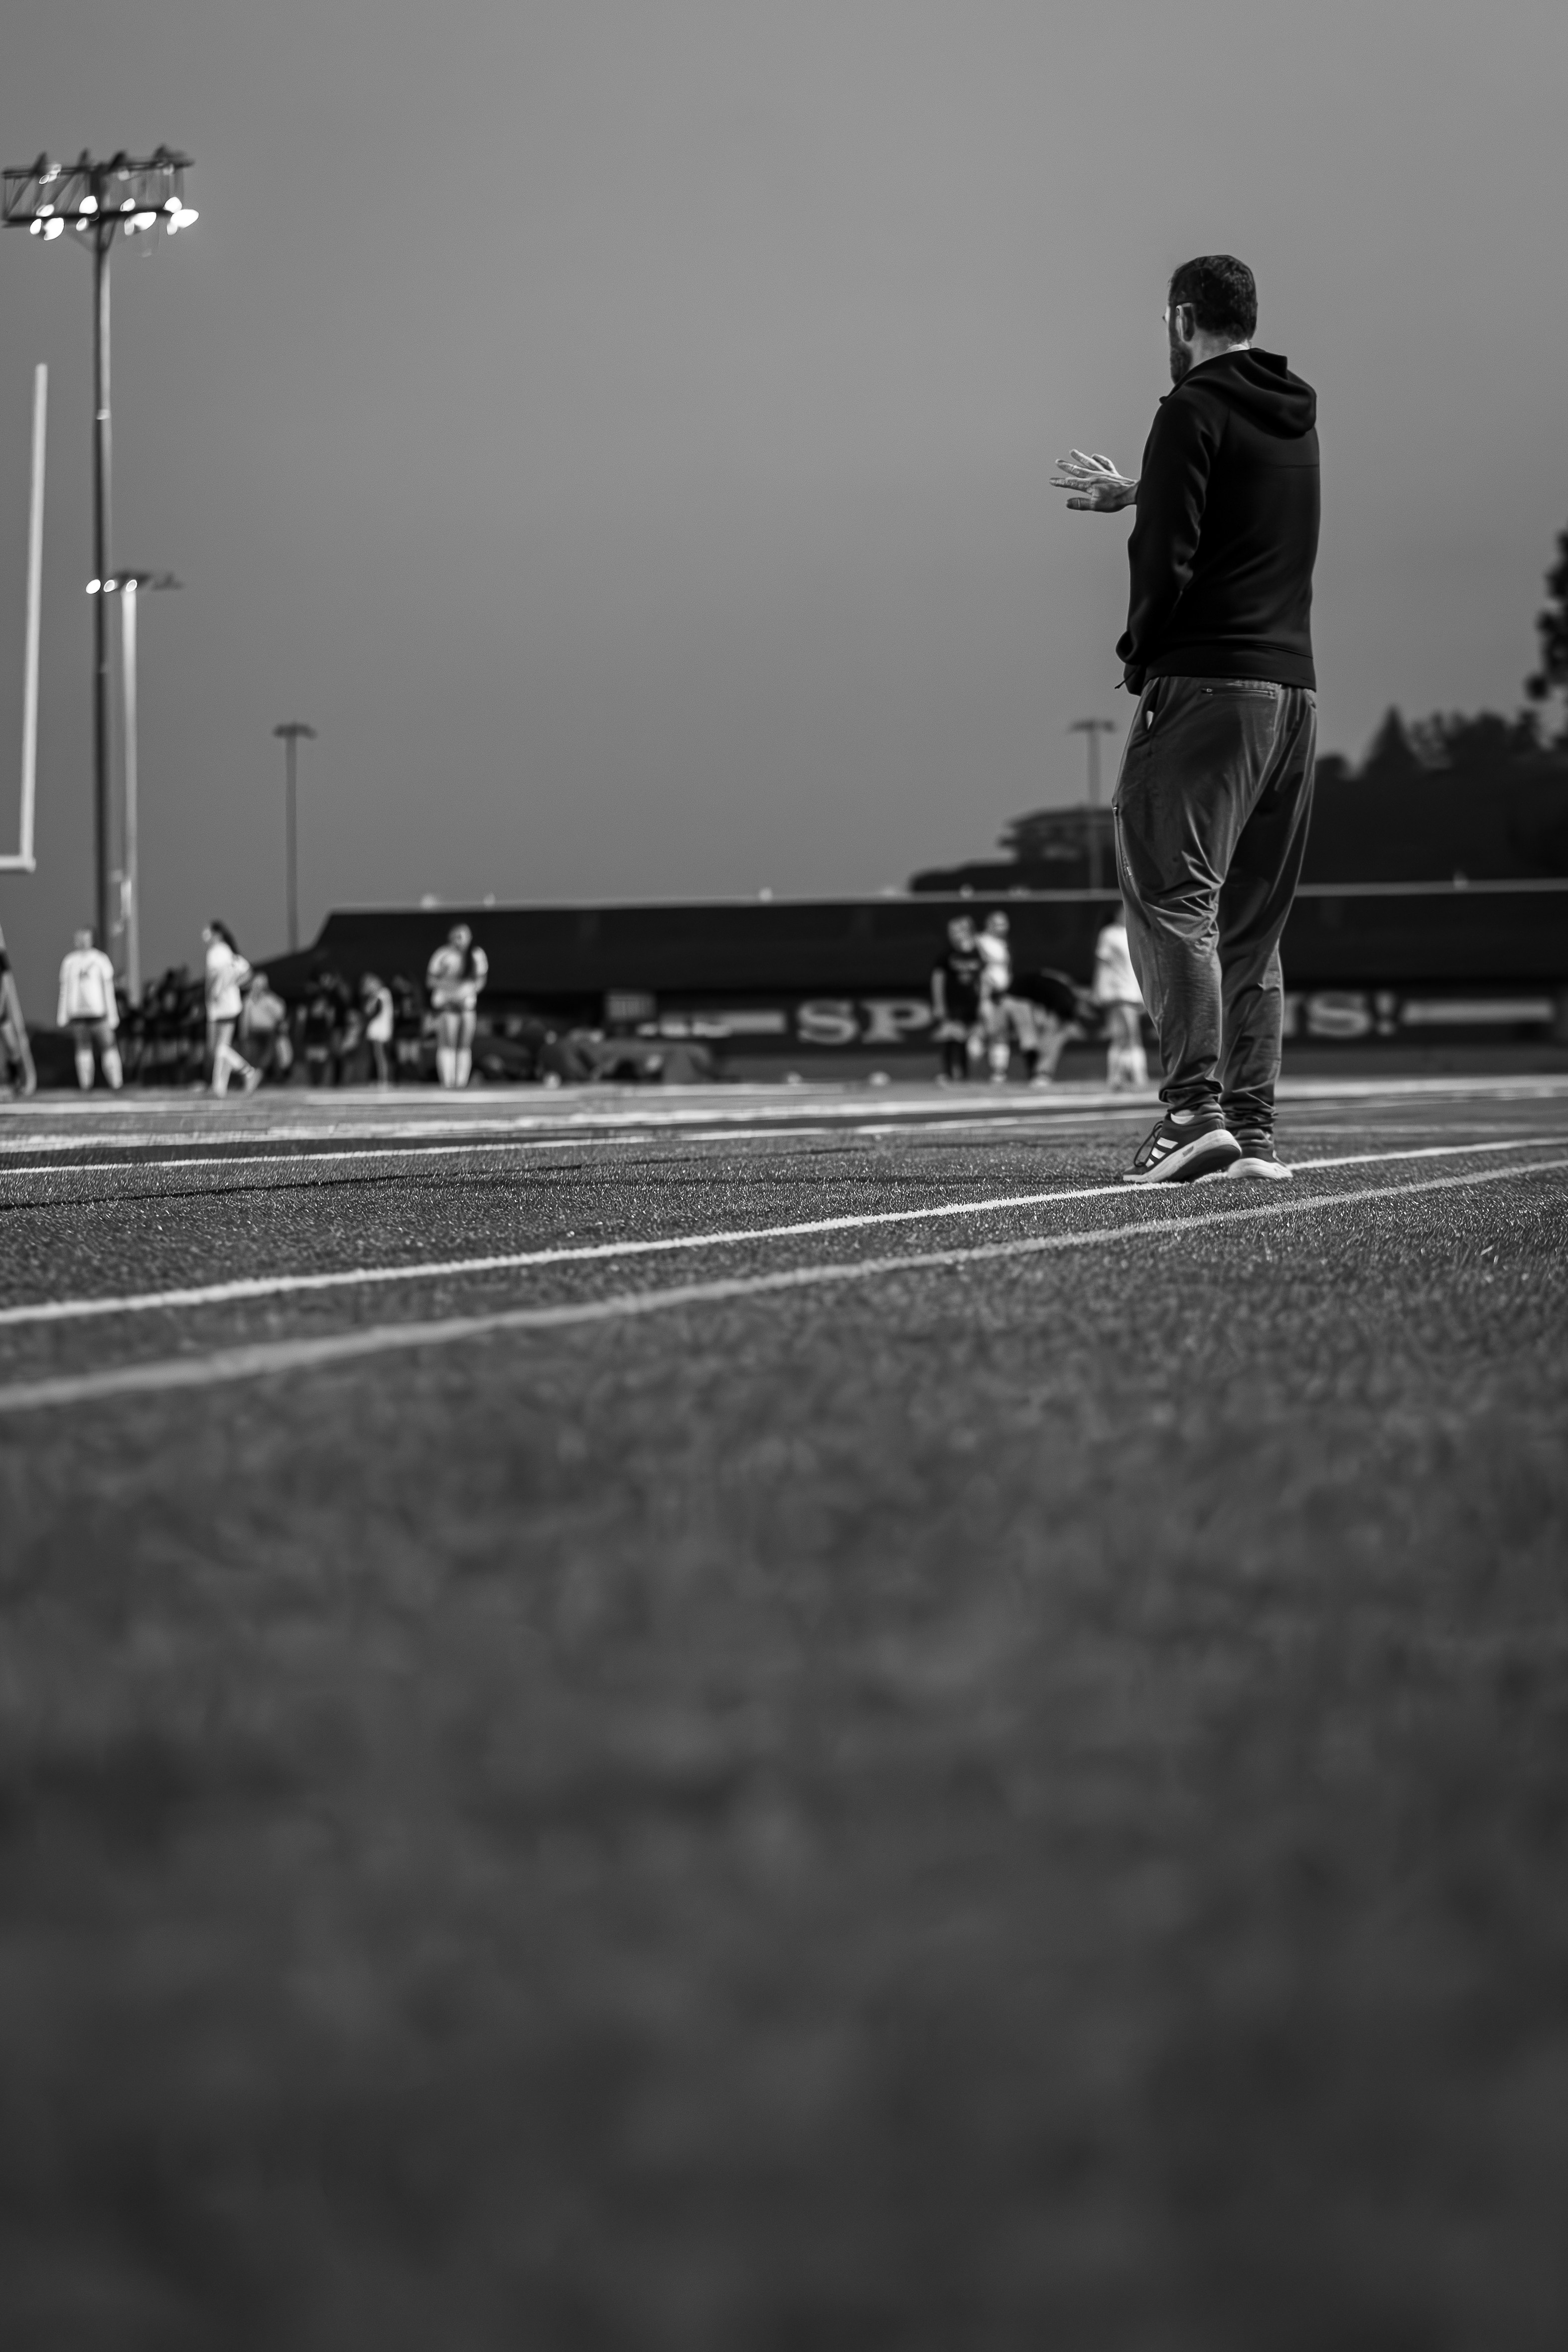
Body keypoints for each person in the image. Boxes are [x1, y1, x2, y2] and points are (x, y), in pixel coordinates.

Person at [1053, 253, 1318, 1183]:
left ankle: (1191, 1111)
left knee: (1172, 898)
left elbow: (1165, 561)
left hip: (1205, 690)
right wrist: (1144, 486)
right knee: (1251, 921)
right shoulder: (1292, 415)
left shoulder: (1189, 411)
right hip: (1292, 698)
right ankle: (1250, 1128)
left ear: (1180, 320)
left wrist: (1138, 658)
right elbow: (1234, 518)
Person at [57, 927, 124, 1091]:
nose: (82, 941)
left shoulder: (100, 959)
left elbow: (108, 988)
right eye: (79, 938)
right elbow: (64, 989)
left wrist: (112, 1014)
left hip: (98, 1013)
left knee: (109, 1045)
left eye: (86, 938)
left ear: (92, 939)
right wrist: (63, 1014)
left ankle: (117, 1085)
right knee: (83, 1048)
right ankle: (86, 1086)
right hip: (78, 1014)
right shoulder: (69, 961)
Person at [425, 922, 488, 1088]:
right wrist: (450, 991)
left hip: (466, 1006)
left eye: (464, 936)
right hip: (447, 1006)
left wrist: (466, 994)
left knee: (465, 1044)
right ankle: (448, 1082)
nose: (461, 941)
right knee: (447, 1043)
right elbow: (431, 981)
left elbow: (481, 981)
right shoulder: (443, 955)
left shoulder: (477, 955)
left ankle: (461, 1082)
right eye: (457, 936)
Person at [1093, 904, 1148, 1089]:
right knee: (1128, 1034)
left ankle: (1119, 1078)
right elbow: (1102, 964)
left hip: (1135, 992)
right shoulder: (1109, 934)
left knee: (1125, 1036)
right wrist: (1099, 989)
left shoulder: (1138, 933)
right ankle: (1137, 1078)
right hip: (1119, 992)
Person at [203, 921, 261, 1096]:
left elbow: (211, 980)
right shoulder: (229, 951)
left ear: (216, 934)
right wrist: (234, 985)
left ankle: (248, 1071)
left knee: (218, 1048)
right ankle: (219, 1087)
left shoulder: (216, 952)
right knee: (222, 1047)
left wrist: (211, 995)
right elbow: (248, 972)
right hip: (230, 1004)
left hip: (220, 1005)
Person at [930, 915, 985, 1082]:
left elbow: (982, 980)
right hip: (953, 1004)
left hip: (971, 1004)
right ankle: (948, 1073)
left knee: (967, 1040)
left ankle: (964, 1074)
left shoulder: (977, 953)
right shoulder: (947, 955)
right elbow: (938, 980)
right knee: (951, 1038)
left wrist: (983, 1002)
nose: (954, 935)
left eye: (958, 931)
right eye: (951, 932)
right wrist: (939, 1004)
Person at [976, 911, 1015, 1082]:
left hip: (1002, 994)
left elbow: (1008, 969)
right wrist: (984, 994)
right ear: (989, 924)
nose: (1003, 928)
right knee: (988, 1031)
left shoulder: (1004, 944)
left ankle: (999, 1072)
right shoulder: (980, 942)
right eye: (998, 924)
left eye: (1004, 924)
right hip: (985, 996)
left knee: (1000, 1033)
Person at [239, 968, 292, 1084]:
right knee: (253, 1058)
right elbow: (245, 1019)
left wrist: (269, 1005)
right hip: (254, 1033)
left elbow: (281, 1013)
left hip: (268, 1032)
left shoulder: (271, 999)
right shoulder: (249, 1000)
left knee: (267, 1058)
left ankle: (272, 1080)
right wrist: (243, 1034)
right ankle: (252, 1082)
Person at [362, 972, 395, 1088]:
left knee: (381, 1057)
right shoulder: (378, 995)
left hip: (380, 1029)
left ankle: (384, 1081)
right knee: (378, 1056)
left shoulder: (383, 993)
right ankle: (382, 1079)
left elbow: (371, 1011)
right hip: (378, 1029)